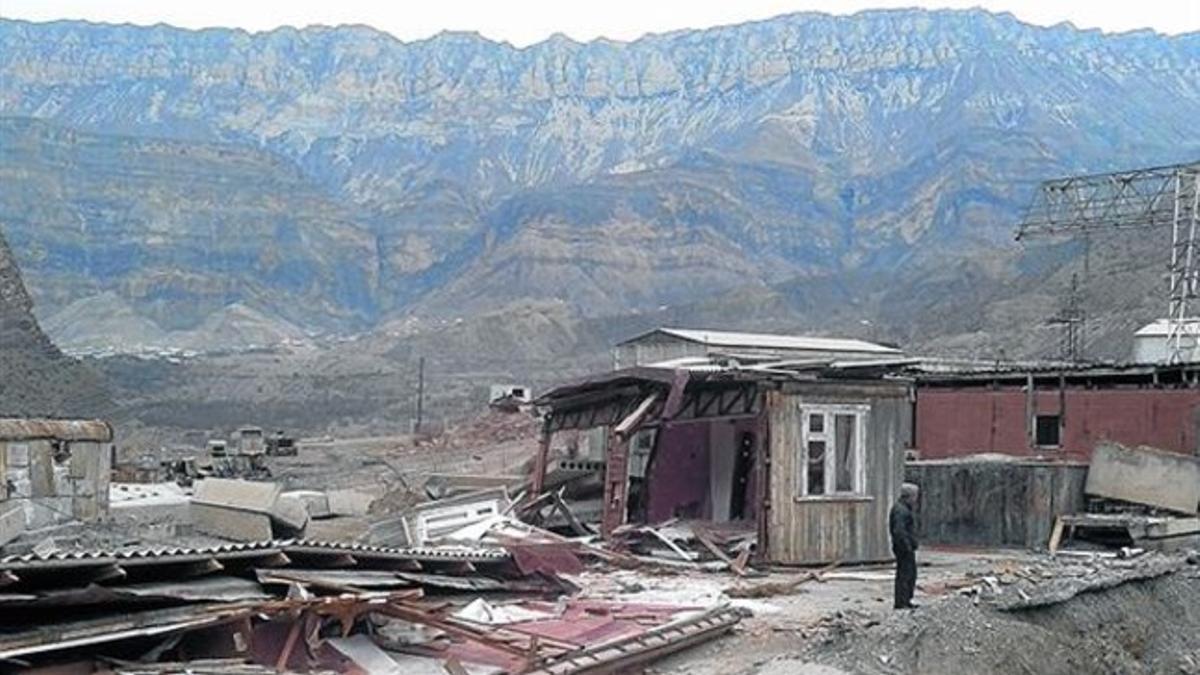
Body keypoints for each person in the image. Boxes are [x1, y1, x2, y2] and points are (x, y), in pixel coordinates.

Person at [889, 482, 920, 609]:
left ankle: (905, 600)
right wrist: (907, 545)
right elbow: (899, 531)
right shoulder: (901, 511)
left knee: (909, 573)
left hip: (904, 547)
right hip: (903, 548)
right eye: (915, 496)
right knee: (905, 574)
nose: (916, 499)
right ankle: (902, 602)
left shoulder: (902, 509)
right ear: (910, 496)